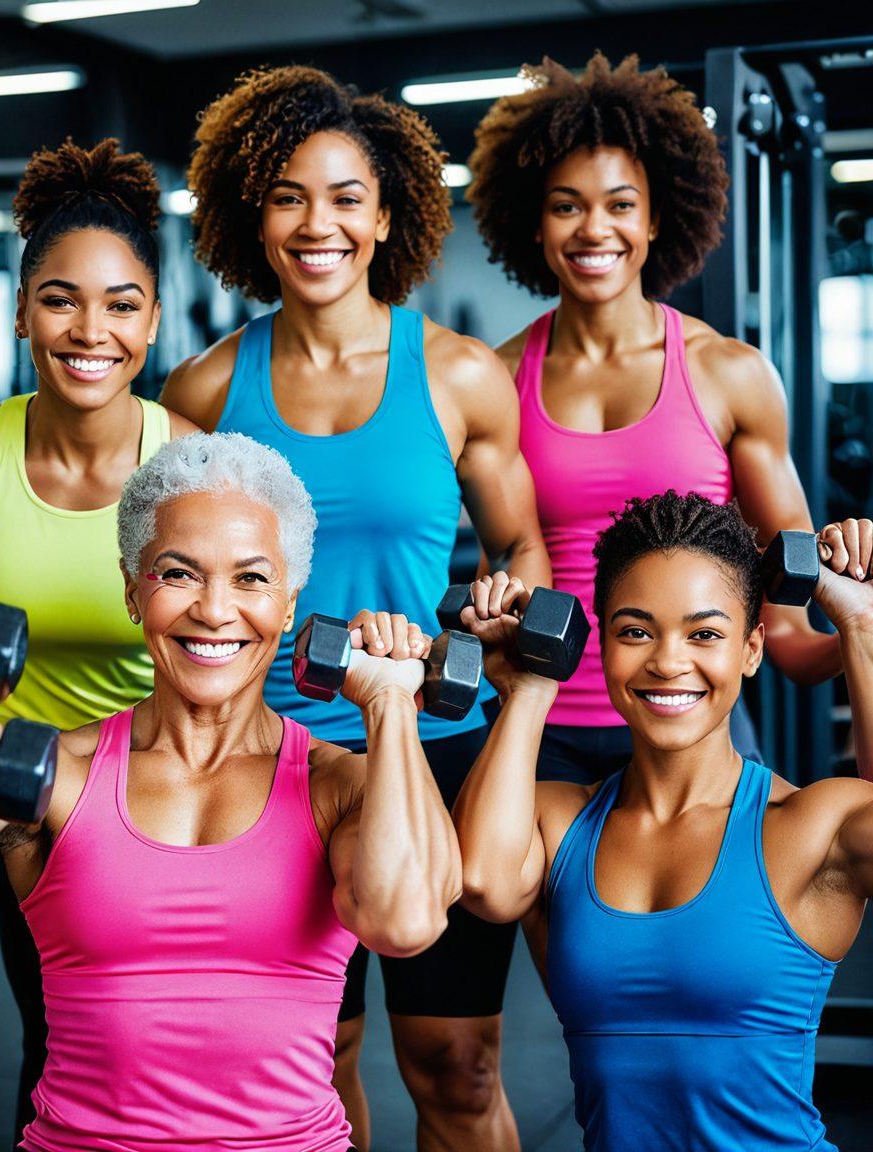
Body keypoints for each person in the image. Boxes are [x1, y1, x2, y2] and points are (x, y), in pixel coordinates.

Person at [161, 65, 550, 1152]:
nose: (316, 223)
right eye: (287, 197)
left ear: (385, 217)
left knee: (459, 1069)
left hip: (433, 747)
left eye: (344, 197)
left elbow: (521, 541)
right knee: (311, 1067)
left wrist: (506, 592)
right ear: (255, 218)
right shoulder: (203, 391)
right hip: (273, 763)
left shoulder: (459, 377)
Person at [0, 431, 461, 1152]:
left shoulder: (339, 786)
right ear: (132, 590)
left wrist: (390, 704)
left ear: (290, 604)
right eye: (179, 573)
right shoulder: (51, 771)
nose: (213, 609)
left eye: (251, 579)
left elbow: (405, 922)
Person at [467, 53, 843, 791]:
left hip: (694, 724)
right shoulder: (495, 379)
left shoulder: (728, 374)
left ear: (656, 218)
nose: (593, 229)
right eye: (566, 206)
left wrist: (857, 633)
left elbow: (790, 632)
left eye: (620, 205)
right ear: (534, 223)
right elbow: (503, 564)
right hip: (543, 729)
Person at [452, 492, 873, 1152]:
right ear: (600, 645)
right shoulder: (561, 820)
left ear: (752, 649)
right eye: (635, 632)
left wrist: (862, 628)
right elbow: (483, 882)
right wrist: (528, 688)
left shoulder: (809, 825)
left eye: (704, 634)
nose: (668, 662)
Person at [0, 137, 195, 1143]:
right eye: (60, 300)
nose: (90, 330)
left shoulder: (189, 467)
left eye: (120, 304)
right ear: (22, 312)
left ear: (152, 320)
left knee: (66, 1058)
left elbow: (221, 650)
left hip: (113, 802)